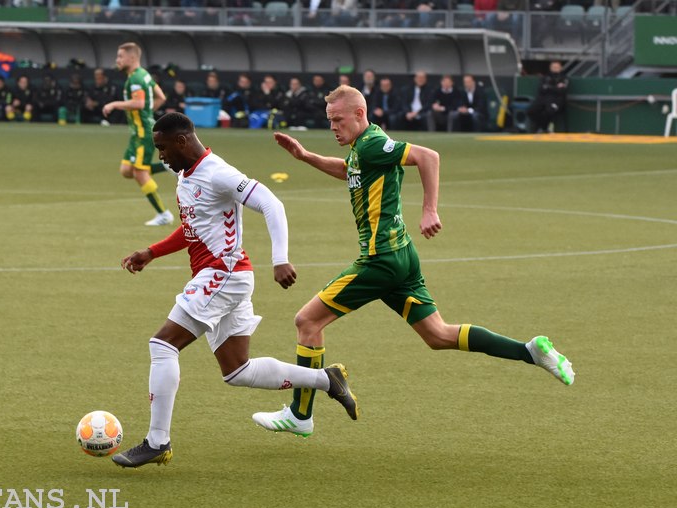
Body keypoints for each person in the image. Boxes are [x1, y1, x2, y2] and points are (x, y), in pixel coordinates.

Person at [252, 85, 575, 436]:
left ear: (360, 114)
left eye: (338, 119)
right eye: (329, 120)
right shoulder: (365, 147)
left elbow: (428, 156)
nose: (333, 126)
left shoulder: (373, 143)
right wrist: (306, 157)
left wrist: (429, 209)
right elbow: (351, 171)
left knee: (307, 322)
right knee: (438, 335)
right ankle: (531, 352)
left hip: (381, 260)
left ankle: (301, 416)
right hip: (402, 257)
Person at [111, 113, 358, 468]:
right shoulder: (186, 175)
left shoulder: (218, 172)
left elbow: (271, 203)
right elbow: (192, 226)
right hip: (227, 276)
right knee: (237, 371)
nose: (160, 156)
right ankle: (326, 378)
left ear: (181, 141)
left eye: (163, 148)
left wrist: (281, 258)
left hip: (223, 273)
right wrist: (152, 251)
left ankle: (157, 441)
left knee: (163, 344)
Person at [102, 42, 174, 226]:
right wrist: (149, 114)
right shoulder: (144, 75)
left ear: (132, 57)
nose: (117, 60)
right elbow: (161, 97)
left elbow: (139, 104)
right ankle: (166, 167)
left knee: (140, 173)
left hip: (143, 133)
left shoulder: (135, 79)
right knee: (126, 171)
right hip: (138, 133)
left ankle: (163, 214)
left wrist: (114, 104)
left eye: (120, 56)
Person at [526, 60, 568, 133]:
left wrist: (549, 87)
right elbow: (541, 89)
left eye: (557, 67)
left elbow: (561, 91)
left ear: (560, 68)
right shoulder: (545, 77)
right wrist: (555, 87)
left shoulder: (563, 78)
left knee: (549, 111)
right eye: (553, 67)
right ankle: (543, 126)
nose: (555, 68)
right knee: (531, 111)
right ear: (550, 68)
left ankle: (544, 127)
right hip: (543, 99)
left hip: (557, 100)